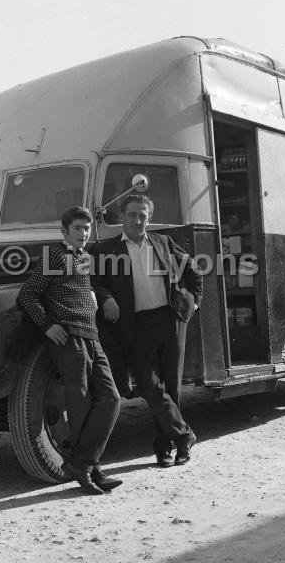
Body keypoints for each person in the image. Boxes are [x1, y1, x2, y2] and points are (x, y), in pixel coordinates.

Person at [91, 194, 203, 467]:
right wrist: (105, 297)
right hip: (136, 326)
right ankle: (184, 434)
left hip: (170, 321)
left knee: (172, 387)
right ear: (121, 217)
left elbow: (194, 271)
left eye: (143, 216)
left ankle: (168, 449)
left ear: (148, 218)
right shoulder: (104, 249)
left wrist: (193, 304)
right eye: (132, 215)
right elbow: (90, 281)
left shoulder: (162, 242)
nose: (138, 220)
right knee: (149, 386)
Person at [17, 206, 122, 495]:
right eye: (77, 228)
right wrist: (47, 326)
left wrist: (92, 296)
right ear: (64, 231)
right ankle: (93, 469)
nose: (83, 233)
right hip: (69, 337)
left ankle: (82, 463)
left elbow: (79, 289)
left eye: (87, 229)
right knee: (80, 405)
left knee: (112, 399)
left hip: (92, 336)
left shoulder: (83, 259)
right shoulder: (54, 256)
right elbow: (27, 295)